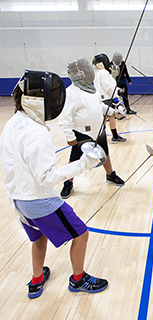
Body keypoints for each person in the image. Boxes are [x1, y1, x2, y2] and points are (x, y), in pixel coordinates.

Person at [0, 70, 109, 299]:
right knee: (81, 234)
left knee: (38, 236)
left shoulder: (12, 124)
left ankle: (37, 278)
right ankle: (78, 279)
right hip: (39, 202)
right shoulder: (37, 132)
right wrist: (84, 163)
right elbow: (47, 177)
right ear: (36, 101)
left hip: (17, 201)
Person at [59, 57, 125, 199]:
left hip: (98, 129)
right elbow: (64, 117)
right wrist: (69, 136)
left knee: (105, 153)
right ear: (79, 74)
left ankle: (110, 175)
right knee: (75, 159)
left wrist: (114, 112)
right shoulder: (71, 93)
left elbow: (99, 106)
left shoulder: (91, 89)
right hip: (81, 132)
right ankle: (68, 183)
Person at [92, 53, 127, 143]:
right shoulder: (104, 73)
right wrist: (115, 98)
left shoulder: (97, 72)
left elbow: (106, 86)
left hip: (101, 98)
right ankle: (114, 137)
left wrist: (117, 89)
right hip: (108, 98)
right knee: (112, 117)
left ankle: (100, 137)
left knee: (103, 119)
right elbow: (108, 87)